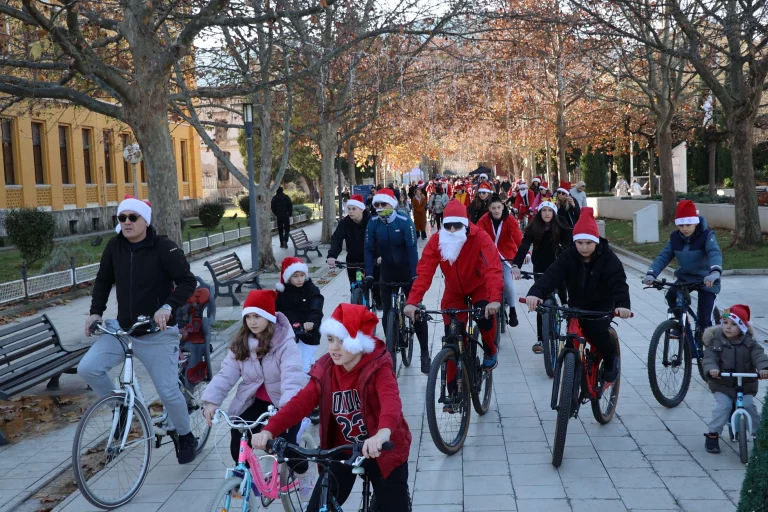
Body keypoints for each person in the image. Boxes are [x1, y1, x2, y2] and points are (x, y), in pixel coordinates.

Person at [251, 304, 412, 512]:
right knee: (319, 507)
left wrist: (383, 434)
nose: (333, 348)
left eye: (341, 341)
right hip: (343, 450)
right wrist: (269, 429)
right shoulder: (326, 369)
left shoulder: (378, 366)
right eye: (330, 340)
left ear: (358, 343)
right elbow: (301, 403)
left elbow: (391, 402)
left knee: (393, 506)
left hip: (383, 448)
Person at [79, 196, 200, 464]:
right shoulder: (114, 246)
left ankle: (185, 434)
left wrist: (168, 306)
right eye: (122, 218)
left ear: (146, 220)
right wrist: (95, 312)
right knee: (87, 368)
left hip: (157, 335)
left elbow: (187, 281)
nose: (127, 223)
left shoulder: (163, 247)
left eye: (133, 218)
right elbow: (103, 281)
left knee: (168, 392)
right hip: (123, 331)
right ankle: (120, 410)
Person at [201, 290, 313, 495]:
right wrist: (211, 401)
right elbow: (226, 374)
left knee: (285, 446)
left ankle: (304, 474)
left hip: (284, 402)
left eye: (257, 316)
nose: (252, 322)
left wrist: (287, 409)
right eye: (248, 317)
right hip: (254, 402)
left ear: (269, 317)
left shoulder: (285, 343)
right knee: (239, 434)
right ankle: (245, 478)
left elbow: (292, 376)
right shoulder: (242, 344)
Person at [524, 207, 631, 382]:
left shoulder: (608, 257)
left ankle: (612, 361)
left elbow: (618, 281)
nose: (584, 247)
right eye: (579, 242)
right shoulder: (569, 256)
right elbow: (552, 275)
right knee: (570, 338)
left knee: (597, 333)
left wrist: (623, 305)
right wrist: (535, 293)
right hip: (576, 305)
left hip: (600, 306)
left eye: (588, 243)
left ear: (596, 241)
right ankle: (569, 384)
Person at [404, 200, 503, 373]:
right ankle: (452, 391)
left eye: (457, 226)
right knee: (451, 337)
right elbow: (425, 272)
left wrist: (494, 299)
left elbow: (493, 268)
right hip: (454, 291)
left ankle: (490, 350)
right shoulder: (437, 240)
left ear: (465, 225)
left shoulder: (480, 237)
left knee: (484, 317)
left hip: (479, 286)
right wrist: (412, 301)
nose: (451, 230)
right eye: (448, 226)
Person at [364, 188, 430, 373]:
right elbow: (368, 249)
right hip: (387, 271)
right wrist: (369, 274)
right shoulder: (373, 222)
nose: (379, 207)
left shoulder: (404, 221)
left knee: (415, 311)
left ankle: (425, 353)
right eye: (376, 204)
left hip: (406, 270)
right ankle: (390, 350)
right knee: (386, 312)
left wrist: (415, 274)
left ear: (391, 204)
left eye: (383, 204)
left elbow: (411, 248)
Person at [643, 200, 723, 331]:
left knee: (704, 321)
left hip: (707, 280)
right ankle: (683, 327)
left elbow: (714, 253)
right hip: (686, 278)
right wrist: (651, 274)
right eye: (681, 225)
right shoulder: (675, 237)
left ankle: (709, 347)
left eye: (688, 224)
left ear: (695, 222)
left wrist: (715, 272)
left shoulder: (707, 235)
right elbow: (664, 256)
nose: (684, 228)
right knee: (671, 296)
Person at [702, 304, 768, 453]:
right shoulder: (716, 342)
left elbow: (759, 356)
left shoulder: (750, 343)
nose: (728, 327)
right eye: (725, 323)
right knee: (723, 406)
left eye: (733, 324)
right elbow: (709, 358)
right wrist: (712, 369)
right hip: (722, 385)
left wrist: (764, 369)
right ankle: (713, 434)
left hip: (745, 385)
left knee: (749, 406)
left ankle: (759, 434)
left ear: (743, 327)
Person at [511, 201, 572, 353]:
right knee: (540, 304)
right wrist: (516, 265)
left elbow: (569, 246)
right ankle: (541, 339)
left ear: (554, 213)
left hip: (558, 264)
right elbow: (524, 246)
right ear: (539, 213)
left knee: (563, 294)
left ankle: (567, 316)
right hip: (540, 267)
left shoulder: (562, 226)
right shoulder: (533, 228)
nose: (546, 213)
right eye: (543, 210)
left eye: (549, 211)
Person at [328, 195, 381, 309]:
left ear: (361, 209)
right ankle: (357, 300)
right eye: (349, 209)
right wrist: (332, 256)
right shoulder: (345, 223)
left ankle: (377, 298)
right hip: (353, 260)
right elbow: (337, 238)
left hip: (370, 260)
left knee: (375, 284)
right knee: (355, 285)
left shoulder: (372, 221)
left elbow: (378, 239)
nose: (350, 212)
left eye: (354, 209)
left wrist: (378, 255)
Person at [477, 194, 523, 327]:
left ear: (503, 206)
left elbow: (518, 238)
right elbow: (477, 237)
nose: (496, 210)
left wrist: (526, 254)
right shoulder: (484, 220)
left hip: (507, 257)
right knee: (485, 282)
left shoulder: (510, 219)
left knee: (508, 284)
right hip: (489, 257)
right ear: (489, 209)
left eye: (498, 207)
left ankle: (513, 310)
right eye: (493, 208)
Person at [275, 257, 324, 372]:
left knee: (305, 365)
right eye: (295, 276)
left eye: (302, 275)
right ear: (288, 277)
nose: (299, 279)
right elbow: (276, 311)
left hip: (309, 332)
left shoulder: (311, 290)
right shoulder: (282, 293)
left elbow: (316, 308)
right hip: (289, 333)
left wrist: (312, 322)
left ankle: (307, 387)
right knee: (287, 365)